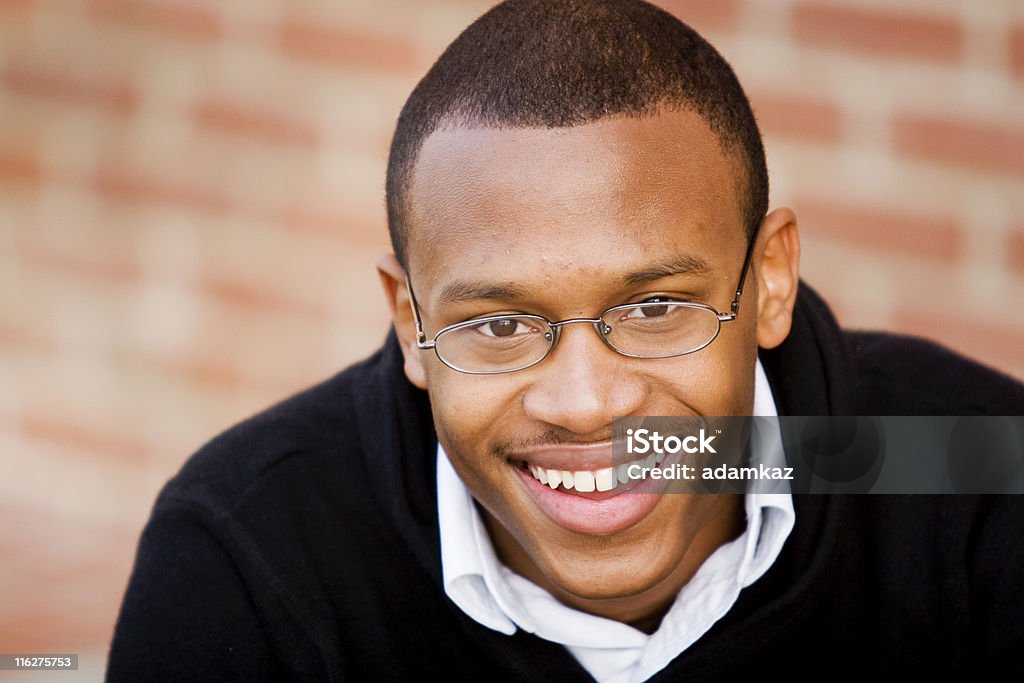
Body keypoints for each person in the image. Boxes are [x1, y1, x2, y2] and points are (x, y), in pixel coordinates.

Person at [107, 1, 1024, 680]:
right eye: (501, 326)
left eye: (656, 309)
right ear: (411, 323)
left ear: (769, 280)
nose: (588, 404)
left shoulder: (969, 472)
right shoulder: (253, 549)